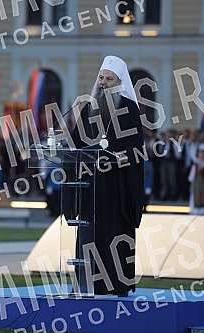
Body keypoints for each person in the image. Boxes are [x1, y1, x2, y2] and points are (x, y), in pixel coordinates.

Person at [67, 55, 144, 296]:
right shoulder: (90, 108)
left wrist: (124, 156)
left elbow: (137, 147)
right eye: (101, 77)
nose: (103, 82)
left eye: (109, 79)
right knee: (90, 236)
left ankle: (115, 284)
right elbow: (75, 143)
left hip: (116, 188)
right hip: (91, 186)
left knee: (113, 238)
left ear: (119, 82)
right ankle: (87, 283)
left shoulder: (129, 109)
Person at [188, 148, 204, 215]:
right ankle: (195, 211)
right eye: (200, 155)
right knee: (195, 197)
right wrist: (191, 186)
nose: (201, 156)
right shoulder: (195, 165)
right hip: (197, 185)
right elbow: (192, 177)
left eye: (203, 155)